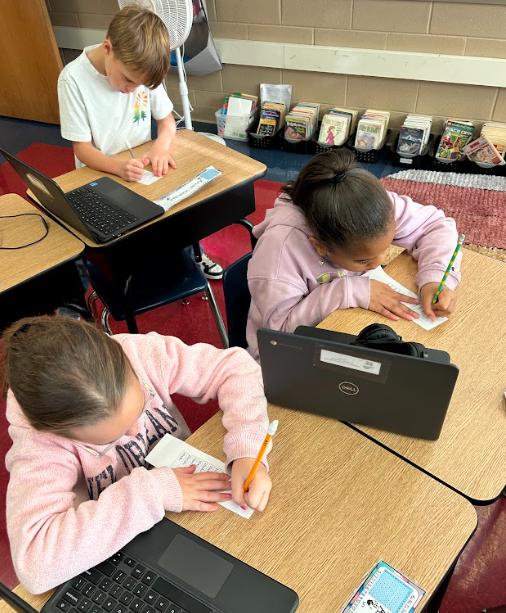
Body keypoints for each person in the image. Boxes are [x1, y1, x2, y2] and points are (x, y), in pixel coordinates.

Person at [3, 317, 272, 594]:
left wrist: (247, 449)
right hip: (125, 541)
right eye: (110, 440)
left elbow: (236, 368)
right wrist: (152, 492)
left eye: (140, 407)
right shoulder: (41, 444)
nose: (134, 432)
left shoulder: (138, 354)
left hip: (193, 511)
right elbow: (36, 565)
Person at [246, 148, 462, 361]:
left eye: (385, 250)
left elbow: (436, 226)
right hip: (283, 359)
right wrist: (347, 290)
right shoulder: (281, 249)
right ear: (320, 247)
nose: (379, 263)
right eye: (363, 260)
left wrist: (435, 275)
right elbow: (277, 336)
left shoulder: (368, 207)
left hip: (347, 327)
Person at [57, 5, 222, 279]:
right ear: (108, 48)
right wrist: (118, 168)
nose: (131, 90)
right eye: (128, 80)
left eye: (139, 85)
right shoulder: (73, 80)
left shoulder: (141, 71)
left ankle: (192, 254)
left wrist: (160, 146)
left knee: (180, 210)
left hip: (140, 172)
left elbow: (167, 122)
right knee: (121, 246)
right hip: (100, 175)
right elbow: (82, 149)